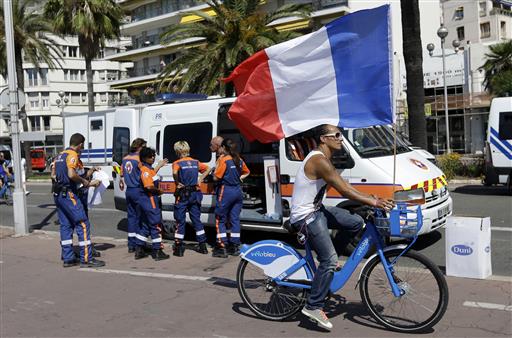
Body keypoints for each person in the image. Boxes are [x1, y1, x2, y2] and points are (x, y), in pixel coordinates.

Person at [290, 124, 394, 330]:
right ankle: (313, 305)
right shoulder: (319, 161)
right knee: (330, 259)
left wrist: (369, 198)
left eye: (341, 135)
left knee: (357, 222)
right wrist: (372, 202)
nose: (340, 139)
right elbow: (344, 190)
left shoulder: (324, 158)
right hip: (305, 216)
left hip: (317, 209)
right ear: (323, 139)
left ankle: (326, 263)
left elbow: (346, 185)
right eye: (336, 135)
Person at [53, 133, 105, 268]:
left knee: (65, 225)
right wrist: (85, 182)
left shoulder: (59, 156)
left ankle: (68, 258)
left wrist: (91, 170)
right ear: (80, 144)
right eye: (82, 146)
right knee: (83, 223)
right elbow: (71, 174)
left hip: (58, 194)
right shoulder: (72, 155)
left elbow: (54, 175)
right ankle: (87, 259)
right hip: (69, 194)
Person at [212, 138, 250, 258]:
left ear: (224, 147)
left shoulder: (224, 160)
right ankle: (234, 246)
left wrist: (214, 170)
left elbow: (216, 178)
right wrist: (241, 178)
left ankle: (221, 246)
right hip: (237, 191)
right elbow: (247, 172)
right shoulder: (238, 159)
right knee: (234, 219)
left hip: (226, 191)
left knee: (220, 218)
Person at [172, 141, 211, 256]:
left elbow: (175, 172)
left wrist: (177, 181)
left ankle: (179, 248)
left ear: (177, 151)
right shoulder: (195, 162)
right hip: (195, 193)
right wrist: (200, 179)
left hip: (183, 194)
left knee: (180, 220)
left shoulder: (177, 163)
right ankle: (203, 246)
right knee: (196, 220)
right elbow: (208, 169)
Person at [134, 147, 170, 261]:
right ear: (144, 158)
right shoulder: (145, 170)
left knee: (145, 225)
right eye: (150, 156)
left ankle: (139, 249)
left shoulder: (149, 169)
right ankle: (157, 251)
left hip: (146, 201)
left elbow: (153, 174)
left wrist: (160, 165)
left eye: (154, 155)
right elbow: (149, 186)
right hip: (149, 200)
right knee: (155, 225)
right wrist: (159, 191)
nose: (153, 158)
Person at [119, 138, 147, 253]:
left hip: (129, 190)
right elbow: (145, 174)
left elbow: (122, 174)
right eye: (144, 146)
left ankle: (131, 244)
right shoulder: (139, 159)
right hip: (138, 190)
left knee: (131, 217)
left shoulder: (125, 159)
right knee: (141, 218)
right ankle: (139, 244)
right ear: (139, 147)